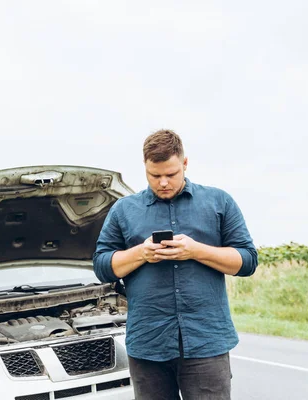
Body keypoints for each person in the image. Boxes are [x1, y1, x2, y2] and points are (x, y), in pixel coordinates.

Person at [93, 129, 258, 400]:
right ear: (145, 167)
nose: (163, 183)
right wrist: (141, 253)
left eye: (171, 174)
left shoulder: (219, 201)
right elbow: (102, 267)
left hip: (207, 342)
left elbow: (247, 261)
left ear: (185, 163)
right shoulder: (123, 210)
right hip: (148, 345)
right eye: (154, 176)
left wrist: (195, 251)